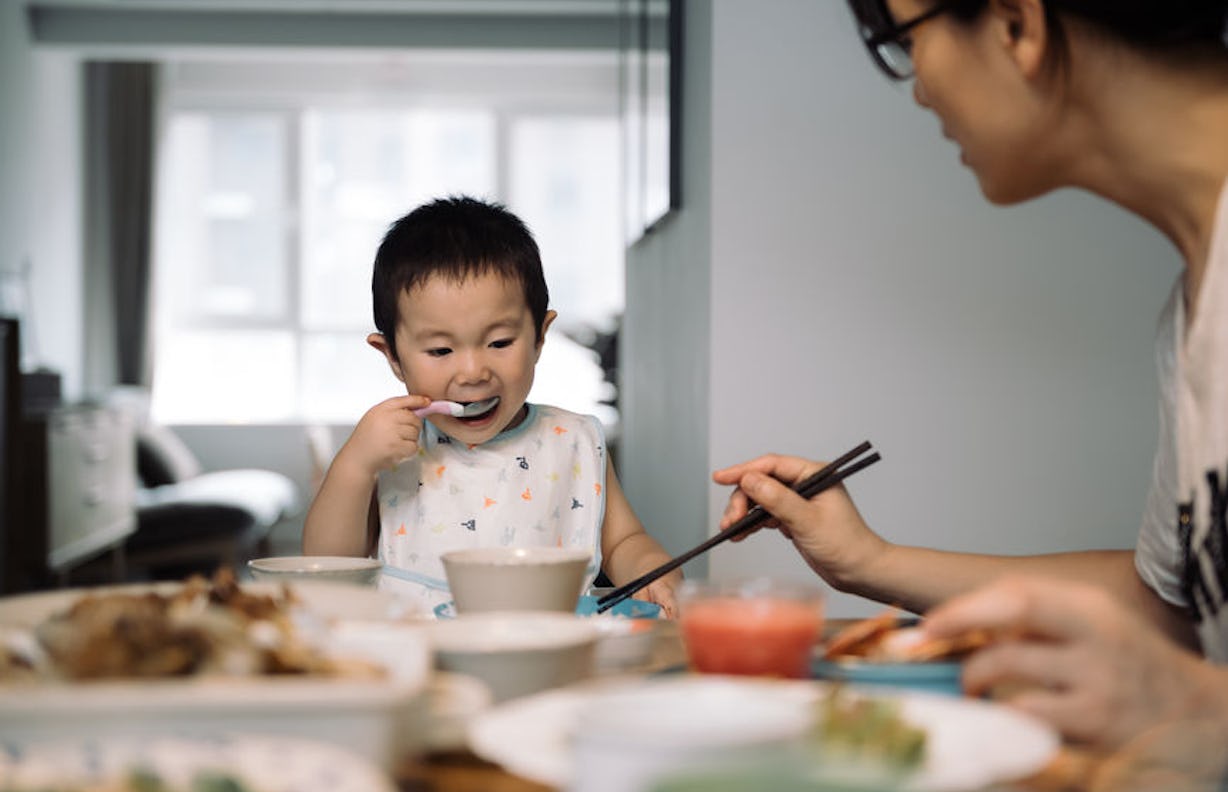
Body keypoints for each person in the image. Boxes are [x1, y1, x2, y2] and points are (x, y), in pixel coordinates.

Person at [714, 0, 1228, 754]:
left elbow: (1185, 681)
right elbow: (1174, 608)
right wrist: (869, 562)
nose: (917, 87)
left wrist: (1201, 711)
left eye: (902, 40)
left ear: (1017, 23)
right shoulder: (1193, 306)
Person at [303, 196, 680, 616]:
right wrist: (355, 466)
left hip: (547, 654)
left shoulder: (573, 440)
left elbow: (624, 542)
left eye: (499, 343)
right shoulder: (391, 449)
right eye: (441, 350)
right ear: (392, 356)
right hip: (423, 658)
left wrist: (652, 571)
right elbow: (327, 567)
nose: (472, 371)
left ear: (540, 336)